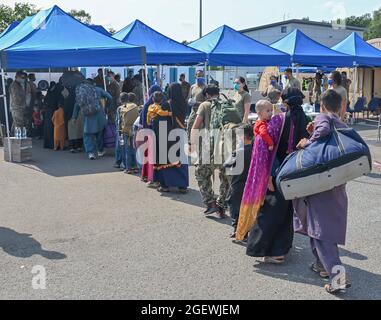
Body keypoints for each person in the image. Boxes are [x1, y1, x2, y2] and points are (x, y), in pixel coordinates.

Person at [236, 88, 309, 262]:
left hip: (277, 174)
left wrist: (265, 175)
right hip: (297, 173)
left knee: (269, 212)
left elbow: (262, 145)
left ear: (285, 102)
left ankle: (267, 250)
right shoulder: (307, 121)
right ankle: (281, 250)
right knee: (286, 212)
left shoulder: (279, 120)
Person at [294, 90, 351, 294]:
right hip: (336, 184)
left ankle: (338, 278)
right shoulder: (343, 126)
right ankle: (321, 266)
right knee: (318, 228)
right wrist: (313, 133)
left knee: (321, 233)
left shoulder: (324, 118)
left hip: (321, 186)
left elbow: (322, 134)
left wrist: (306, 142)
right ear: (341, 106)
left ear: (322, 106)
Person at [191, 85, 230, 218]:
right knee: (225, 177)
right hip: (228, 146)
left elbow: (196, 126)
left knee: (201, 174)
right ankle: (222, 205)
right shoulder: (228, 104)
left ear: (207, 94)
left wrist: (192, 143)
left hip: (210, 146)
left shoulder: (205, 105)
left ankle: (210, 203)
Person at [153, 83, 189, 193]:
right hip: (181, 134)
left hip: (168, 136)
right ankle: (182, 186)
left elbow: (159, 121)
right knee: (181, 160)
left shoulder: (167, 105)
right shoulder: (184, 103)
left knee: (165, 160)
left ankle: (165, 186)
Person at [225, 123, 254, 238]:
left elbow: (226, 165)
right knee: (247, 208)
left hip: (237, 185)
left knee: (235, 207)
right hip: (250, 184)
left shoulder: (238, 151)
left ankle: (237, 229)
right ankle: (245, 231)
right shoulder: (255, 150)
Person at [72, 80, 110, 160]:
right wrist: (107, 108)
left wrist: (74, 117)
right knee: (100, 134)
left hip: (88, 116)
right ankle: (100, 151)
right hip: (99, 115)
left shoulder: (82, 92)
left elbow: (77, 105)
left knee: (87, 135)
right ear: (93, 83)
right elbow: (110, 97)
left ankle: (90, 153)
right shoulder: (98, 89)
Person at [117, 92, 140, 174]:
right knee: (134, 149)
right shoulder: (135, 106)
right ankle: (136, 167)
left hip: (125, 131)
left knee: (127, 150)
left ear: (121, 100)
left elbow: (119, 122)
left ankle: (128, 168)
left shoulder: (121, 108)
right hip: (134, 130)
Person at [43, 81, 64, 149]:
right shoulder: (56, 93)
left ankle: (49, 144)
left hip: (48, 113)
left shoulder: (49, 93)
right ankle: (55, 144)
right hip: (53, 112)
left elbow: (46, 102)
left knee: (48, 128)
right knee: (53, 129)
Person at [187, 70, 207, 139]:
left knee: (200, 128)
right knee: (189, 125)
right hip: (193, 110)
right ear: (195, 76)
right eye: (198, 76)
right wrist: (189, 101)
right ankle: (190, 141)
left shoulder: (205, 88)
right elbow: (189, 98)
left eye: (201, 76)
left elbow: (207, 102)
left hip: (201, 111)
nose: (200, 77)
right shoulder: (192, 87)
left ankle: (199, 144)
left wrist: (196, 102)